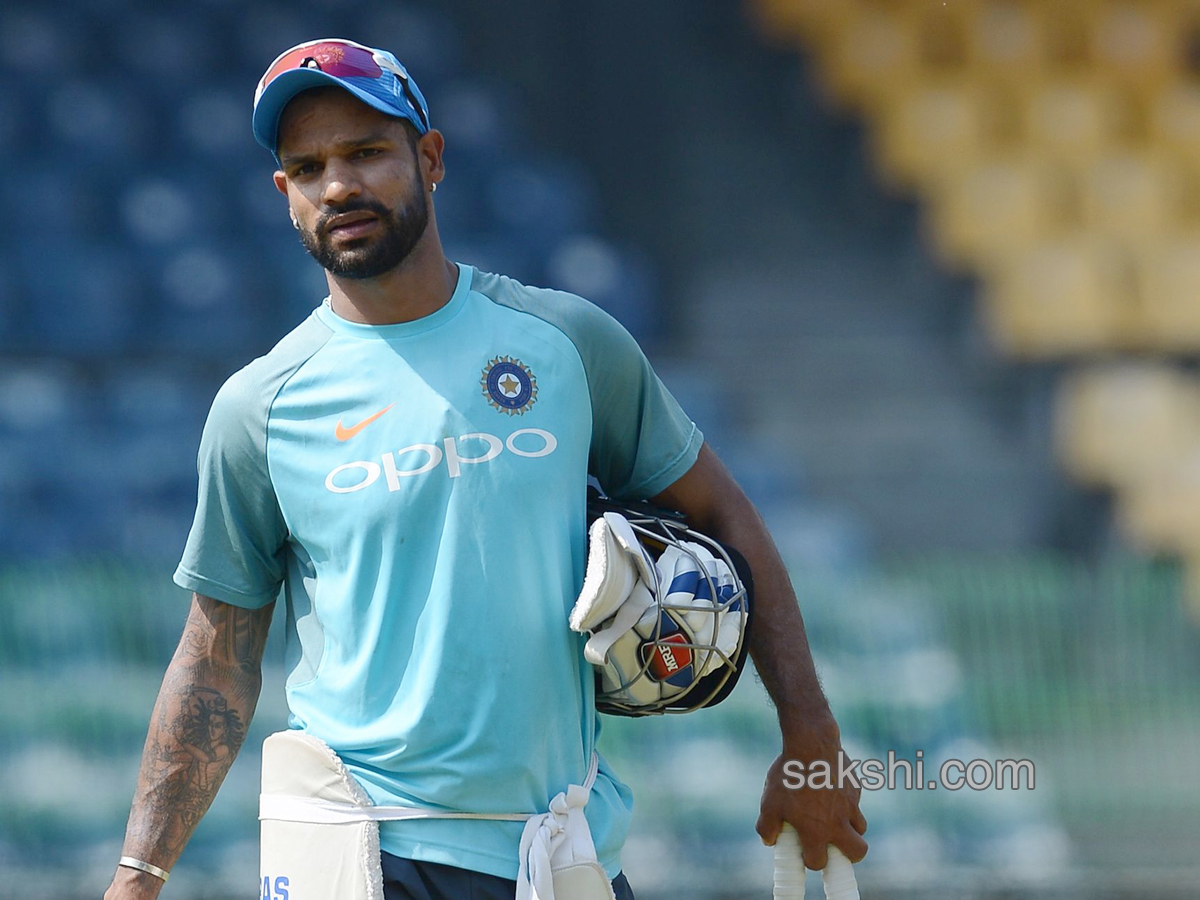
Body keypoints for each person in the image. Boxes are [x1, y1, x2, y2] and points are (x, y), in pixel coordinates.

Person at [103, 38, 867, 900]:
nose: (339, 187)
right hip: (354, 852)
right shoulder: (260, 407)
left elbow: (726, 515)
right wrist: (139, 875)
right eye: (308, 167)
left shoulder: (568, 343)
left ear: (430, 159)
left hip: (554, 853)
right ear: (286, 196)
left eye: (365, 153)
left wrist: (810, 736)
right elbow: (215, 656)